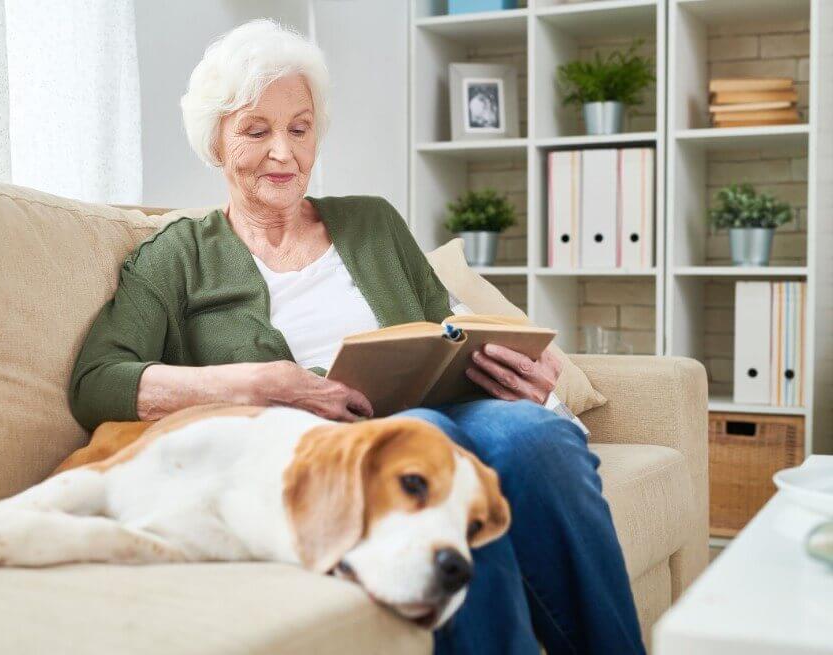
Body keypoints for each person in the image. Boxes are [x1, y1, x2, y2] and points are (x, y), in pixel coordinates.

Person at [68, 18, 645, 655]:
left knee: (538, 439)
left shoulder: (372, 222)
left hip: (445, 410)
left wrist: (524, 382)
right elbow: (98, 382)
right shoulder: (176, 256)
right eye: (256, 131)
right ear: (214, 142)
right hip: (341, 448)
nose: (283, 152)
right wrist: (260, 384)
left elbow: (445, 328)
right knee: (433, 445)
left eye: (299, 128)